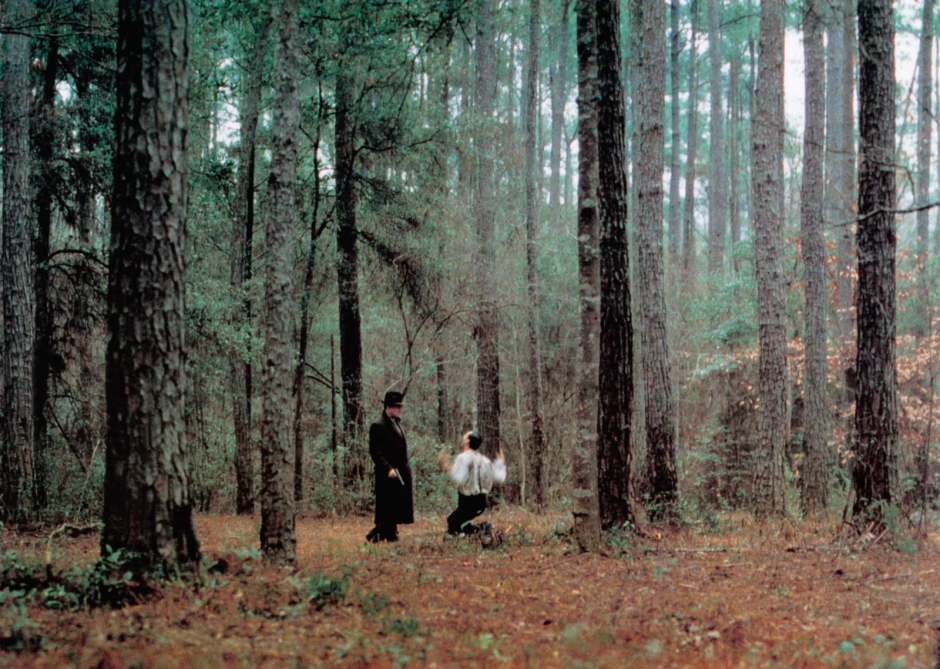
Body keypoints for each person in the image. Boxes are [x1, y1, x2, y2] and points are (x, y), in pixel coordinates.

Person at [365, 390, 414, 543]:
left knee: (397, 505)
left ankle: (389, 533)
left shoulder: (396, 423)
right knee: (387, 505)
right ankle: (382, 534)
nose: (400, 409)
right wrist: (388, 468)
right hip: (387, 473)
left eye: (400, 406)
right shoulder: (378, 425)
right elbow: (375, 451)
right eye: (397, 406)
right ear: (389, 407)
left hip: (400, 470)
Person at [438, 431, 506, 536]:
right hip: (481, 502)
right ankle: (481, 530)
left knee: (453, 525)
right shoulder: (484, 460)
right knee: (453, 520)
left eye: (464, 437)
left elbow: (459, 479)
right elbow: (499, 477)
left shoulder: (463, 458)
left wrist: (446, 466)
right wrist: (500, 463)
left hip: (468, 502)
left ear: (467, 441)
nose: (463, 438)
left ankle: (483, 529)